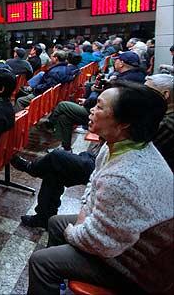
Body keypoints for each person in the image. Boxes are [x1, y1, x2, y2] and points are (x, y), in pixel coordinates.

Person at [27, 83, 173, 294]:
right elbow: (94, 181)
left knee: (42, 262)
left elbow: (101, 242)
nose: (92, 110)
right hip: (122, 241)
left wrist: (74, 230)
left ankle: (53, 275)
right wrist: (84, 213)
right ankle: (58, 284)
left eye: (100, 107)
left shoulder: (125, 177)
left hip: (138, 265)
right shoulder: (118, 143)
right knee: (55, 222)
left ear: (123, 122)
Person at [13, 74, 174, 228]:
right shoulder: (155, 114)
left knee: (57, 157)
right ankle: (44, 216)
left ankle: (32, 169)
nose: (139, 94)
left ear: (165, 95)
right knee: (55, 168)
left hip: (120, 169)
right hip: (106, 159)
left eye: (146, 89)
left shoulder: (165, 123)